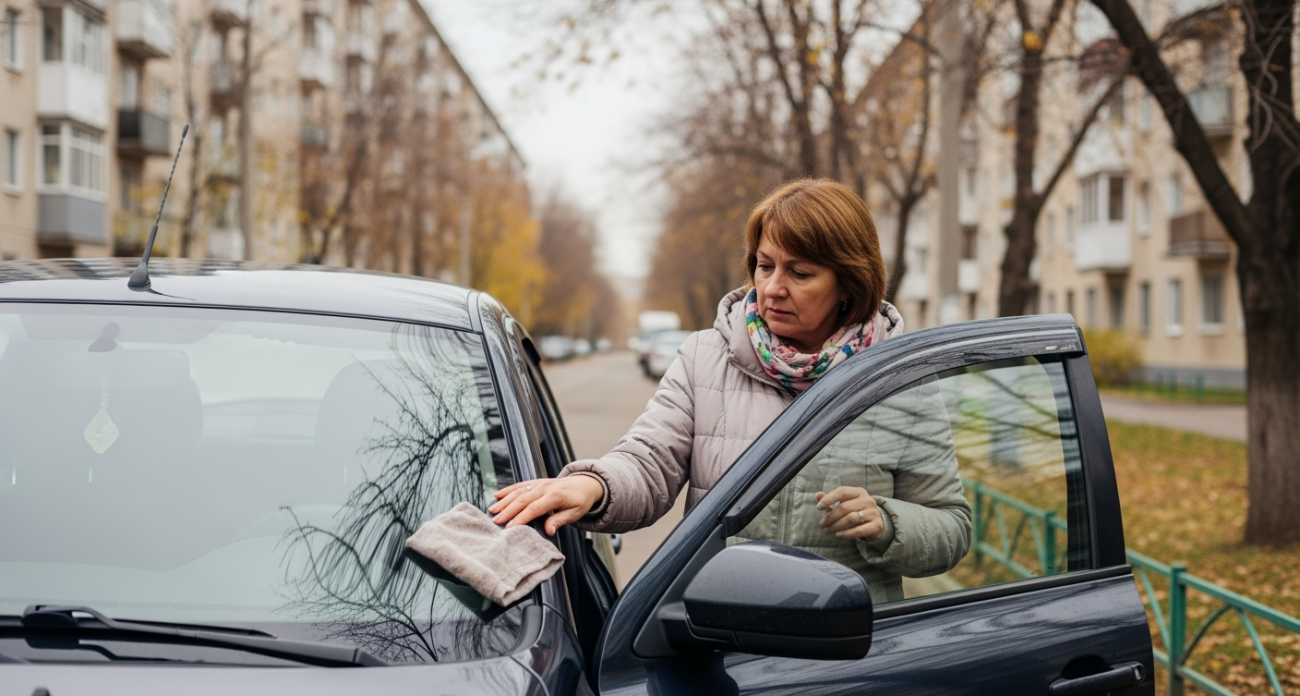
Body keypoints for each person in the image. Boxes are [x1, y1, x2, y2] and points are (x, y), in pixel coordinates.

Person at [490, 178, 971, 602]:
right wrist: (595, 485)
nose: (772, 288)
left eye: (799, 273)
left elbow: (951, 526)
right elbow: (648, 460)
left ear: (848, 283)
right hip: (717, 639)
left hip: (843, 656)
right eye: (765, 266)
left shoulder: (897, 379)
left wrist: (888, 523)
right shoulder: (706, 357)